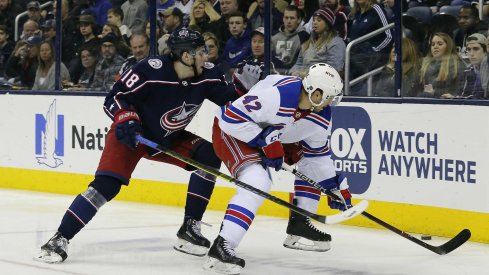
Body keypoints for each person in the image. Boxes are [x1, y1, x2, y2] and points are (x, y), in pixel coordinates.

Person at [34, 27, 262, 264]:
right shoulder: (149, 70)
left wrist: (244, 89)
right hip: (132, 136)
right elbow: (115, 97)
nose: (206, 56)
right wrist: (125, 117)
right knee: (105, 186)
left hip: (168, 137)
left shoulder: (208, 74)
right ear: (185, 56)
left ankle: (189, 229)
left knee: (209, 156)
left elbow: (230, 102)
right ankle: (59, 238)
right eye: (200, 51)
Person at [204, 63, 351, 274]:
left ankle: (300, 221)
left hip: (269, 134)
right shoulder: (279, 95)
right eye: (329, 96)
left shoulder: (321, 115)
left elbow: (317, 156)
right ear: (316, 94)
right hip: (234, 132)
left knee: (307, 160)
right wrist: (264, 140)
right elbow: (230, 119)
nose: (331, 102)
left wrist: (332, 186)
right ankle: (223, 244)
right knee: (257, 181)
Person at [290, 7, 346, 77]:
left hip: (322, 84)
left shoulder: (336, 42)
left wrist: (306, 74)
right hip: (302, 80)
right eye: (314, 20)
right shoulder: (307, 42)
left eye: (319, 20)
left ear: (327, 24)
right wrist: (292, 73)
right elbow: (299, 64)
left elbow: (334, 69)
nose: (314, 22)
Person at [418, 32, 464, 98]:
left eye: (440, 44)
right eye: (433, 44)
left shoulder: (457, 65)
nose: (435, 47)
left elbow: (462, 89)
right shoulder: (424, 65)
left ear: (448, 46)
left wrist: (454, 97)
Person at [271, 5, 308, 74]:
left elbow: (303, 62)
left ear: (299, 20)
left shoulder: (303, 36)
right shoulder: (275, 36)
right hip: (273, 75)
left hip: (292, 75)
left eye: (292, 18)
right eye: (286, 18)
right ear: (283, 19)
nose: (289, 21)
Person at [459, 33, 488, 98]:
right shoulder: (467, 70)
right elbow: (463, 94)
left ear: (485, 51)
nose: (471, 54)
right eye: (469, 50)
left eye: (476, 49)